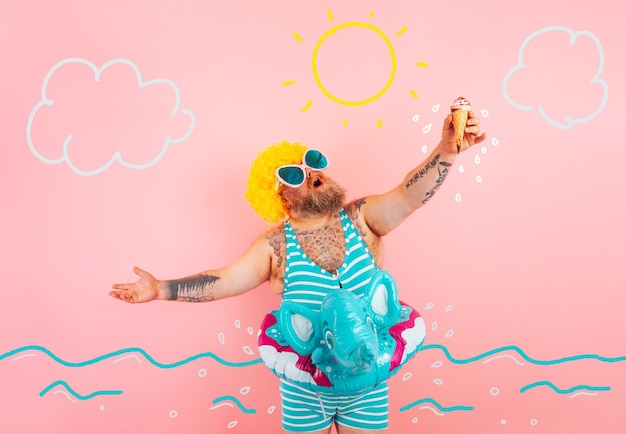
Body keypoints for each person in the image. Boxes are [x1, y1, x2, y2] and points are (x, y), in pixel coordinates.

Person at [110, 110, 487, 434]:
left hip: (366, 379)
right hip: (305, 389)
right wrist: (160, 289)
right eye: (293, 174)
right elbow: (224, 280)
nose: (309, 173)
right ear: (279, 198)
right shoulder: (274, 246)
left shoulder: (362, 219)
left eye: (312, 164)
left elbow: (408, 195)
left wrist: (446, 151)